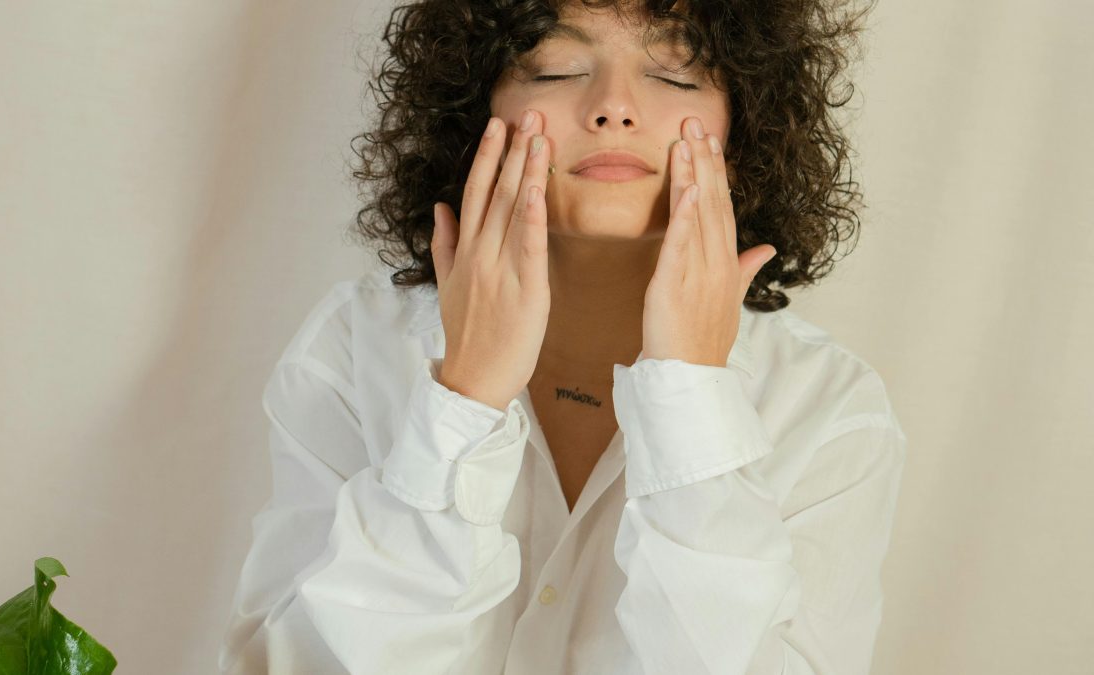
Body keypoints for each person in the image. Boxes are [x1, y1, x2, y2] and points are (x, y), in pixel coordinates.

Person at [220, 0, 905, 673]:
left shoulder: (830, 409)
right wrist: (463, 401)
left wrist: (690, 398)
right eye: (553, 69)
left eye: (674, 74)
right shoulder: (354, 346)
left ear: (747, 121)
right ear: (473, 109)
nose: (613, 106)